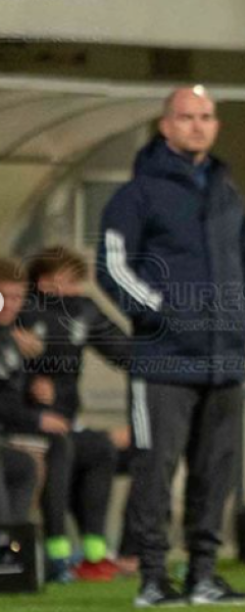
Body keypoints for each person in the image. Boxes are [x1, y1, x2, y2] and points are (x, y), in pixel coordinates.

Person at [97, 85, 245, 607]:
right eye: (187, 116)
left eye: (206, 116)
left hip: (225, 361)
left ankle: (203, 576)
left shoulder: (228, 193)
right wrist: (167, 316)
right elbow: (113, 266)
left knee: (215, 475)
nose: (198, 125)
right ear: (165, 125)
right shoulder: (136, 195)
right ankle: (153, 577)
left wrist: (243, 315)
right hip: (163, 362)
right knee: (155, 471)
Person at [19, 246, 132, 581]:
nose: (76, 289)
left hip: (65, 421)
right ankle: (57, 553)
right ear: (43, 282)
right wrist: (28, 380)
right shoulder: (18, 312)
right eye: (67, 281)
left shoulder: (83, 311)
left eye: (77, 281)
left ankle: (95, 553)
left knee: (101, 448)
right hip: (23, 422)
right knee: (60, 448)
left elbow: (125, 351)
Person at [0, 257, 73, 580]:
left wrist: (38, 386)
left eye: (16, 297)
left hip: (9, 433)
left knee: (26, 465)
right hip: (12, 429)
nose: (9, 305)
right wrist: (35, 419)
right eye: (3, 296)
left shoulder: (10, 339)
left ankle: (17, 555)